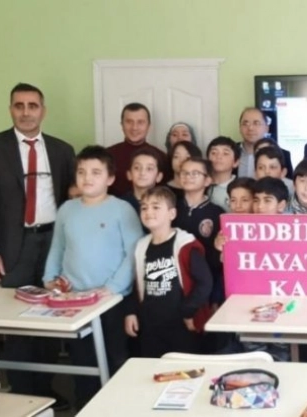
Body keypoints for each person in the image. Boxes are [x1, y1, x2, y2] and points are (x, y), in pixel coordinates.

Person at [0, 82, 75, 408]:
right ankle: (21, 391)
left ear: (43, 110)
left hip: (53, 244)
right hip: (12, 247)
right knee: (16, 318)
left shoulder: (62, 150)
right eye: (19, 105)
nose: (26, 112)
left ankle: (45, 390)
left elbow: (71, 201)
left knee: (49, 318)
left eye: (33, 105)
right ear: (11, 109)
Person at [42, 145, 143, 410]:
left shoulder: (122, 209)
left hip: (111, 300)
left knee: (115, 357)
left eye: (96, 172)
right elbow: (58, 247)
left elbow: (133, 253)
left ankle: (119, 409)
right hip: (75, 299)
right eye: (82, 171)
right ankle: (85, 406)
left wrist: (112, 288)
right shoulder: (67, 209)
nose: (87, 177)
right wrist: (49, 277)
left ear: (110, 178)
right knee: (82, 359)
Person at [125, 186, 213, 358]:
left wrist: (188, 311)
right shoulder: (141, 246)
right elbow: (135, 284)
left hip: (182, 323)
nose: (149, 212)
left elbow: (205, 282)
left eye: (156, 207)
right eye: (144, 207)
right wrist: (131, 312)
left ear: (172, 214)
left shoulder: (185, 245)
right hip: (150, 325)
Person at [174, 157, 225, 309]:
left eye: (195, 173)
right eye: (184, 173)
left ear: (208, 180)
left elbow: (217, 258)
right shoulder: (171, 207)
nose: (188, 177)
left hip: (204, 280)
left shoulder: (216, 213)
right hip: (174, 278)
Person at [106, 102, 168, 197]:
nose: (134, 127)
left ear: (149, 126)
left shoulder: (162, 157)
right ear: (122, 125)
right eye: (129, 122)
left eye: (140, 122)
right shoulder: (106, 155)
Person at [121, 148, 164, 224]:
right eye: (137, 168)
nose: (142, 173)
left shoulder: (165, 203)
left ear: (159, 177)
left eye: (149, 169)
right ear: (129, 174)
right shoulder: (121, 204)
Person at [206, 136, 240, 211]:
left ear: (236, 162)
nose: (219, 157)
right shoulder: (201, 185)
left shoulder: (240, 188)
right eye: (214, 153)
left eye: (225, 153)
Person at [237, 108, 269, 178]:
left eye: (256, 123)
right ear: (240, 128)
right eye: (245, 124)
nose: (250, 128)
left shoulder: (283, 155)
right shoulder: (229, 152)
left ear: (266, 128)